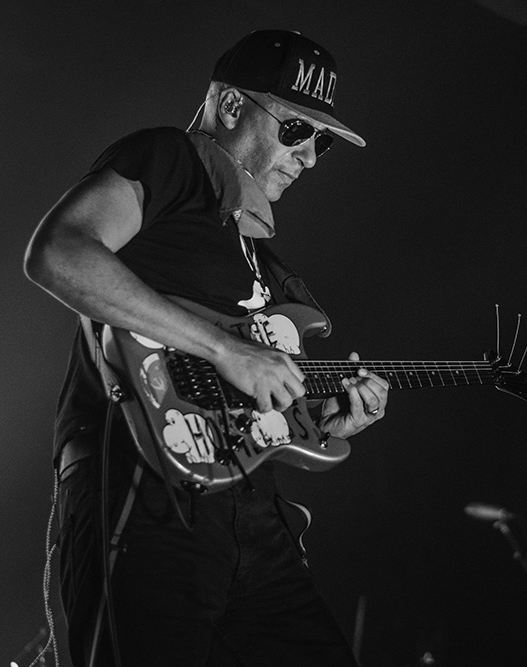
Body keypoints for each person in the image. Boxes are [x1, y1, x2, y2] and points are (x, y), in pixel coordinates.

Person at [24, 29, 389, 666]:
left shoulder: (266, 263)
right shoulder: (169, 161)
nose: (308, 157)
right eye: (297, 130)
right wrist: (226, 352)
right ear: (229, 108)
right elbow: (60, 253)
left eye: (322, 142)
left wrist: (321, 420)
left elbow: (259, 392)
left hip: (253, 514)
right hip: (142, 483)